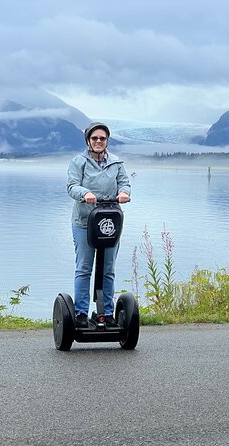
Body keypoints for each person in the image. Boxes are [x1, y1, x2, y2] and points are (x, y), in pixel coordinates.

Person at [67, 122, 131, 328]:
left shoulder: (116, 163)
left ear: (107, 141)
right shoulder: (79, 162)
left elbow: (125, 183)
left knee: (108, 269)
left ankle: (107, 313)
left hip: (110, 223)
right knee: (84, 268)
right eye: (94, 138)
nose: (98, 141)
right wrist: (84, 194)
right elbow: (72, 185)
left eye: (102, 138)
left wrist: (124, 193)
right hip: (85, 222)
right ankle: (81, 313)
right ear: (88, 140)